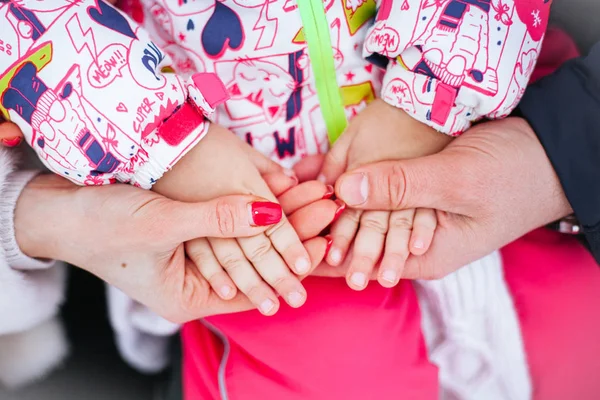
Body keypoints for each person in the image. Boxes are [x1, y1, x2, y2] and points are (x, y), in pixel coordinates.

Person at [0, 0, 552, 399]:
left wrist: (432, 95)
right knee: (341, 376)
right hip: (234, 203)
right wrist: (173, 148)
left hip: (479, 120)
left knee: (562, 338)